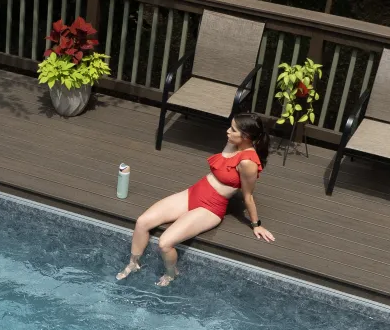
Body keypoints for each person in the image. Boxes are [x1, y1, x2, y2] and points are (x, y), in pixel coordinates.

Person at [117, 113, 279, 286]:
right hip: (194, 192)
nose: (227, 131)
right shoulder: (234, 143)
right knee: (142, 222)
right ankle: (133, 263)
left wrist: (256, 224)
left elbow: (248, 195)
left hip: (210, 207)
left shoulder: (248, 162)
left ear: (245, 136)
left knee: (165, 243)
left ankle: (172, 274)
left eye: (232, 129)